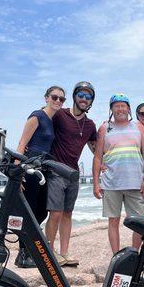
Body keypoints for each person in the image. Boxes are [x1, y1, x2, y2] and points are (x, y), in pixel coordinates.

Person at [45, 81, 98, 267]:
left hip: (73, 174)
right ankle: (49, 253)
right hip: (56, 171)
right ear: (75, 96)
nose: (84, 99)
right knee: (56, 213)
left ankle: (64, 253)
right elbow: (41, 121)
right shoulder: (60, 114)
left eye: (88, 96)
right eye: (81, 95)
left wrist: (105, 163)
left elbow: (95, 148)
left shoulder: (90, 125)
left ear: (91, 101)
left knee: (68, 213)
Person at [93, 94, 144, 253]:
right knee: (113, 220)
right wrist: (96, 183)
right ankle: (116, 255)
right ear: (111, 109)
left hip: (135, 182)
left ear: (128, 108)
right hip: (111, 183)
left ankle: (134, 254)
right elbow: (98, 156)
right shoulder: (105, 128)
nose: (120, 109)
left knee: (139, 223)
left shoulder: (138, 126)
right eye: (116, 106)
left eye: (123, 106)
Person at [14, 86, 65, 268]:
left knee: (42, 211)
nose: (58, 101)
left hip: (42, 169)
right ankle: (23, 255)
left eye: (61, 99)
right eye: (54, 97)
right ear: (46, 98)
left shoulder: (51, 121)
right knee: (29, 213)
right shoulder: (37, 116)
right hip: (29, 169)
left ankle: (29, 248)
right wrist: (17, 174)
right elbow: (22, 143)